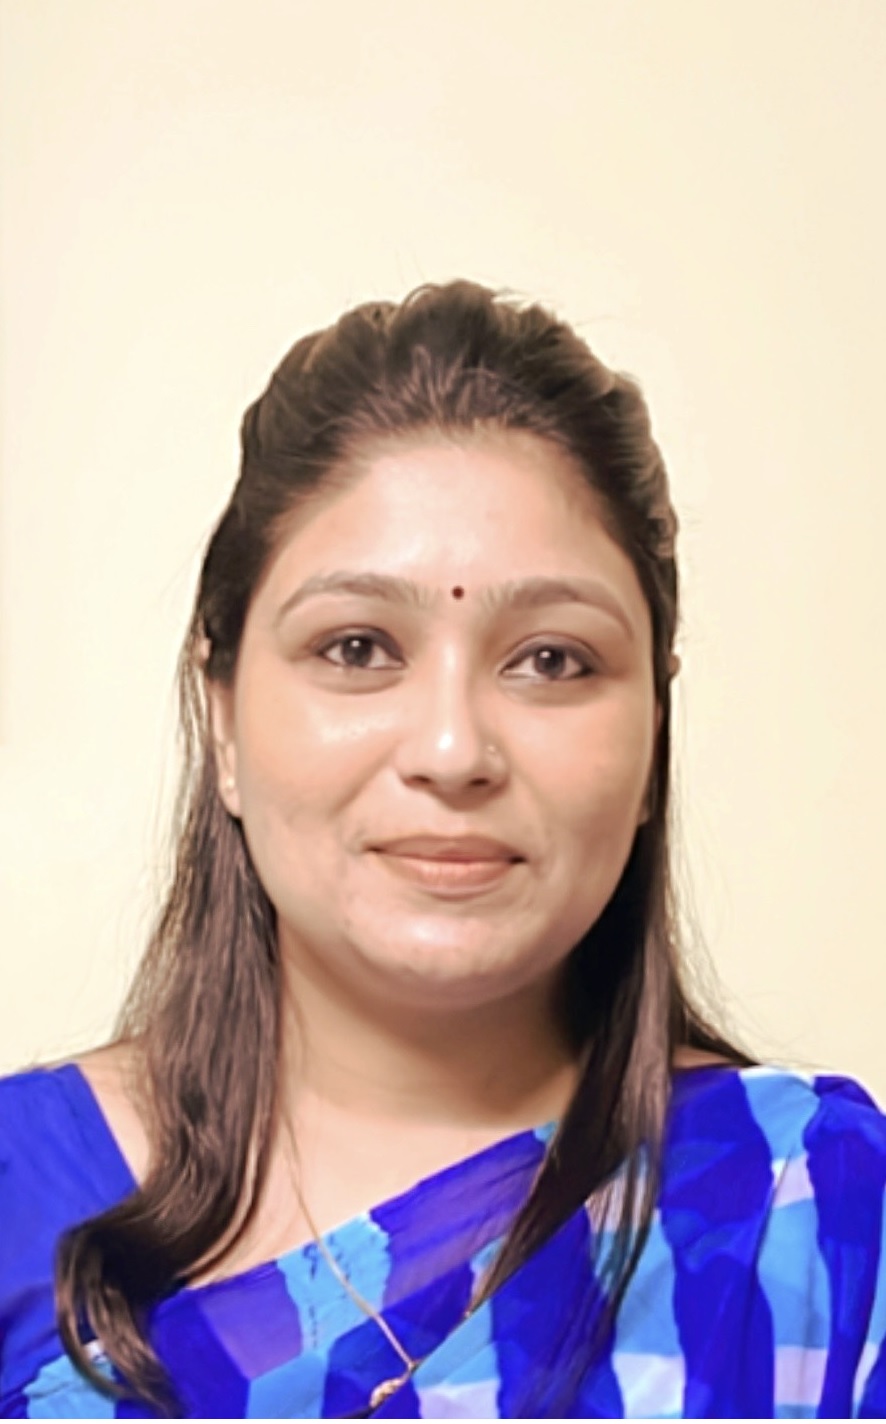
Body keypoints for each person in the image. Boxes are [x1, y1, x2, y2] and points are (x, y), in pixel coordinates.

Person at [1, 281, 885, 1420]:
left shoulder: (812, 1215)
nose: (454, 749)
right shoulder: (19, 1194)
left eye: (552, 659)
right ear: (221, 720)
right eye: (357, 647)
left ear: (653, 732)